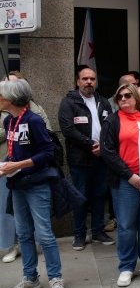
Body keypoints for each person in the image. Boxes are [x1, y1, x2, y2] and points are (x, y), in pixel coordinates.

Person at [0, 79, 66, 288]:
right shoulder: (9, 121)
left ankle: (56, 279)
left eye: (1, 94)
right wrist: (7, 166)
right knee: (24, 234)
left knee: (44, 234)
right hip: (17, 185)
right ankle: (30, 279)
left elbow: (48, 153)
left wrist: (17, 165)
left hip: (37, 185)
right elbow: (15, 152)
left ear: (12, 98)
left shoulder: (34, 120)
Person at [100, 83, 140, 287]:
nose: (123, 99)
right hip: (125, 181)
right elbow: (108, 153)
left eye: (127, 95)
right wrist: (129, 175)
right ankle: (126, 266)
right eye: (120, 97)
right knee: (126, 225)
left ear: (135, 97)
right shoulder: (112, 121)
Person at [58, 67, 114, 251]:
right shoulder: (69, 102)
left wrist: (104, 146)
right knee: (80, 197)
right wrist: (91, 144)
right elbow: (68, 130)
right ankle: (79, 235)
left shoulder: (103, 102)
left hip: (102, 158)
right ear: (78, 81)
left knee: (99, 196)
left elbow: (111, 126)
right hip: (80, 159)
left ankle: (98, 231)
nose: (89, 82)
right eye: (85, 79)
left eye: (92, 79)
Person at [0, 71, 52, 264]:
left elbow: (47, 145)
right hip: (11, 173)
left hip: (34, 177)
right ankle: (24, 267)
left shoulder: (35, 115)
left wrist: (19, 164)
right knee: (16, 222)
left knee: (42, 229)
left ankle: (54, 275)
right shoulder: (7, 119)